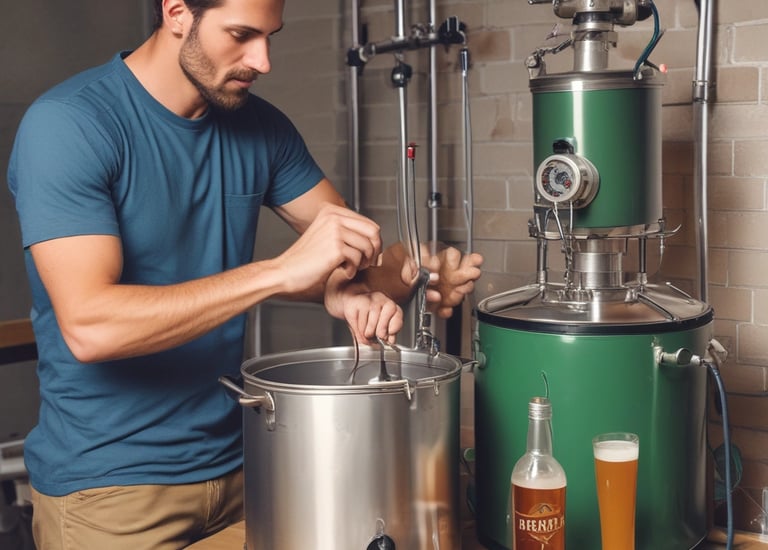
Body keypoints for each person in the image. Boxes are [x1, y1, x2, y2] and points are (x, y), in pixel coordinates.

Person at [6, 0, 483, 548]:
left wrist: (409, 271)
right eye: (241, 34)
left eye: (271, 37)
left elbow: (350, 265)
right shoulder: (71, 124)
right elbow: (91, 327)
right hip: (112, 490)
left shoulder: (261, 128)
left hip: (248, 465)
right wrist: (278, 273)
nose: (262, 60)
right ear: (177, 12)